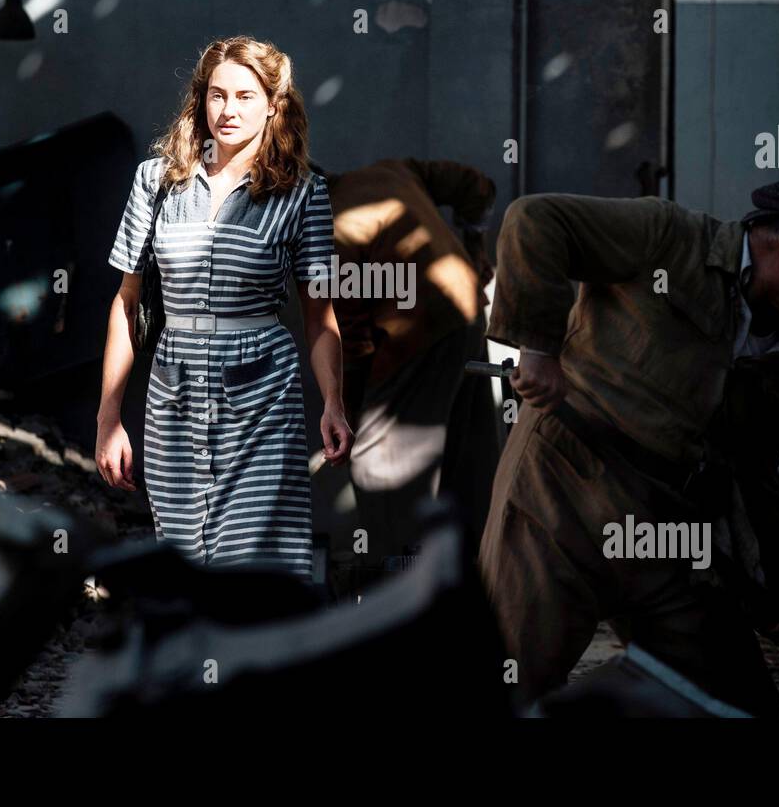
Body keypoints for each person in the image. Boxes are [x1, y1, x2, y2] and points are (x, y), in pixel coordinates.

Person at [479, 172, 779, 715]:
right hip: (559, 498)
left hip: (665, 535)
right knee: (509, 685)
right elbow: (535, 219)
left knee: (737, 704)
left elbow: (756, 486)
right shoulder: (669, 238)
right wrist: (539, 350)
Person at [95, 35, 353, 580]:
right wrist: (108, 417)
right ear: (201, 99)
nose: (228, 110)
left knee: (256, 561)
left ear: (273, 105)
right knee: (183, 558)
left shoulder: (303, 192)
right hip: (174, 392)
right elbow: (126, 301)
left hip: (263, 394)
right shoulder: (155, 182)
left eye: (244, 96)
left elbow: (319, 316)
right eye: (217, 95)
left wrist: (333, 401)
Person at [322, 158, 499, 580]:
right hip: (467, 311)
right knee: (465, 459)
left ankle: (400, 588)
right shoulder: (391, 170)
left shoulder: (333, 233)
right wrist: (475, 248)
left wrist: (346, 419)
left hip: (419, 334)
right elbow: (477, 185)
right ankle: (474, 579)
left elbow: (354, 347)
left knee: (380, 463)